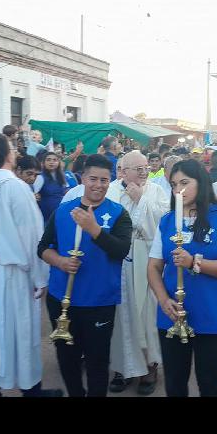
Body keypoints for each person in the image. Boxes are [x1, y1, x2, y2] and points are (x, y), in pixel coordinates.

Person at [0, 134, 61, 397]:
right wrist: (41, 278)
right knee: (21, 335)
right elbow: (32, 235)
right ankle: (31, 390)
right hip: (11, 272)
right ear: (8, 155)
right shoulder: (14, 187)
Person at [37, 154, 133, 397]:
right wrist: (59, 261)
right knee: (67, 360)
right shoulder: (63, 211)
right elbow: (43, 247)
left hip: (99, 302)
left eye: (104, 180)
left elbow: (121, 250)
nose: (98, 185)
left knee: (97, 362)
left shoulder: (119, 214)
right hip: (62, 299)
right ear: (82, 178)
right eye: (93, 179)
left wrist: (94, 229)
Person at [147, 159, 217, 397]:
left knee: (209, 383)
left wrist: (194, 262)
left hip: (212, 314)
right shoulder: (167, 221)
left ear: (201, 183)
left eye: (185, 182)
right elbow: (153, 267)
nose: (178, 189)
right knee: (175, 383)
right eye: (174, 184)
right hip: (172, 313)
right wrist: (163, 300)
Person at [107, 151, 169, 395]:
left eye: (146, 168)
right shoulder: (110, 190)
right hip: (118, 260)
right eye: (138, 168)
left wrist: (142, 198)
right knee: (120, 313)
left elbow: (165, 223)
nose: (144, 172)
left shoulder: (156, 191)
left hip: (146, 258)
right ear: (123, 170)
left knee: (147, 315)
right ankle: (122, 369)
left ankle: (149, 367)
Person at [34, 152, 70, 222]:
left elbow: (66, 191)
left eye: (54, 160)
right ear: (43, 163)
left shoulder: (62, 176)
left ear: (58, 162)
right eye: (48, 160)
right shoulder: (40, 177)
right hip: (46, 214)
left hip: (60, 211)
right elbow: (34, 195)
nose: (51, 162)